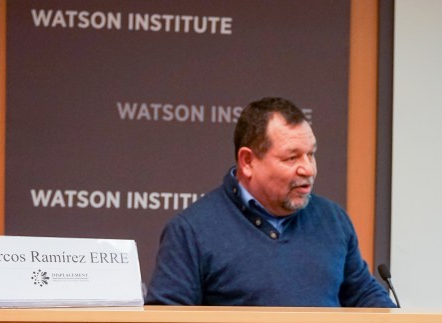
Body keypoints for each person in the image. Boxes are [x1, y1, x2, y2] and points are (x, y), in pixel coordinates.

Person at [144, 97, 396, 307]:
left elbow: (364, 296)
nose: (308, 169)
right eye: (291, 158)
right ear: (248, 161)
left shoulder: (332, 220)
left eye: (311, 154)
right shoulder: (191, 231)